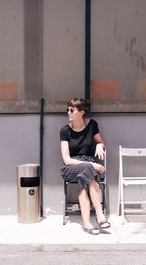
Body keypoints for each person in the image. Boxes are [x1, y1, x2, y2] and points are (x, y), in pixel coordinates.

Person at [60, 97, 110, 235]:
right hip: (70, 168)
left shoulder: (92, 125)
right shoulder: (65, 131)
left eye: (72, 110)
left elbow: (100, 141)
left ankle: (87, 223)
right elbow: (66, 159)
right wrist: (91, 164)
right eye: (68, 110)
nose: (68, 112)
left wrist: (100, 145)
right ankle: (100, 216)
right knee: (89, 170)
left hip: (87, 168)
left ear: (81, 112)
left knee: (86, 176)